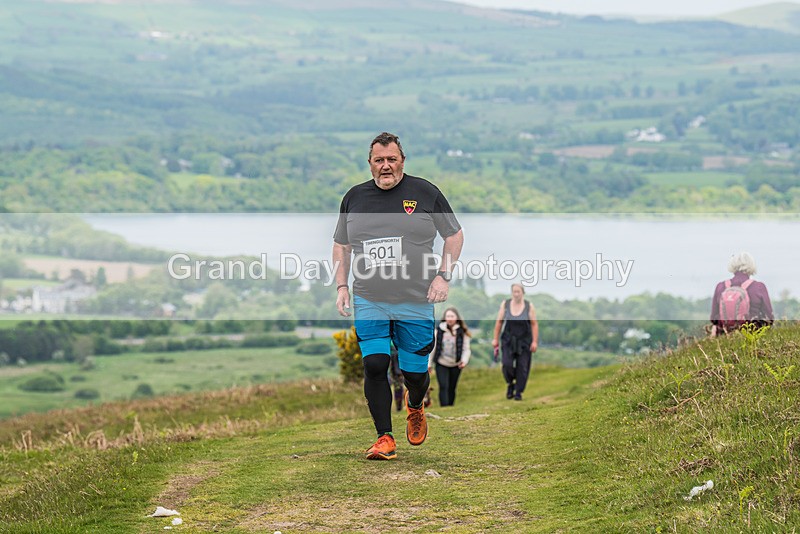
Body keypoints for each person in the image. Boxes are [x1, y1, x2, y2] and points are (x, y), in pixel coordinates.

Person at [333, 132, 464, 460]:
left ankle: (416, 404)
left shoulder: (425, 192)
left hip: (415, 298)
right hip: (369, 297)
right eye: (379, 160)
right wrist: (341, 286)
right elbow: (341, 245)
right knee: (375, 364)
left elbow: (454, 235)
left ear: (402, 161)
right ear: (370, 163)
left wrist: (443, 276)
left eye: (392, 159)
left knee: (414, 375)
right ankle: (384, 438)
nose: (386, 166)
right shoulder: (354, 198)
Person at [492, 283, 538, 401]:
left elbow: (534, 324)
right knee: (506, 364)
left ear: (523, 293)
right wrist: (495, 339)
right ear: (511, 292)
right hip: (508, 339)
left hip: (524, 340)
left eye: (518, 292)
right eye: (514, 292)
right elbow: (499, 322)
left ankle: (518, 392)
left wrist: (534, 341)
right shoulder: (505, 304)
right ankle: (510, 383)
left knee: (522, 367)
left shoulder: (529, 306)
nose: (516, 294)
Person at [710, 252, 774, 336]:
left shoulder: (720, 287)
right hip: (752, 338)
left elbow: (714, 318)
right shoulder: (759, 287)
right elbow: (769, 318)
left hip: (725, 339)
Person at [428, 307, 471, 407]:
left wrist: (464, 360)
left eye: (452, 316)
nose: (450, 318)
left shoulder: (462, 332)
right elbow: (433, 348)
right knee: (443, 386)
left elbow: (466, 349)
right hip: (441, 362)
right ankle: (444, 406)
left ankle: (450, 406)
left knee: (452, 387)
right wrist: (429, 363)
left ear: (457, 318)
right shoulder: (438, 331)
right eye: (448, 316)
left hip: (456, 363)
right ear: (445, 318)